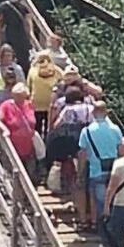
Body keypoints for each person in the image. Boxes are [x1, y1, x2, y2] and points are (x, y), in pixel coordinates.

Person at [46, 86, 93, 224]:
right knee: (87, 175)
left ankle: (79, 207)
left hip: (72, 146)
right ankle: (90, 209)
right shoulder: (90, 108)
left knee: (76, 178)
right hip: (89, 146)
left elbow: (56, 125)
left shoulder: (68, 110)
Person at [78, 101, 124, 229]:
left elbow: (82, 154)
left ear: (93, 113)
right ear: (106, 113)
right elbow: (121, 151)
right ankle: (113, 225)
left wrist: (80, 173)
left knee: (94, 198)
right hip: (114, 170)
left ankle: (95, 223)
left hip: (96, 170)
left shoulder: (86, 131)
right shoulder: (116, 129)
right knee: (113, 198)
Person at [0, 82, 39, 180]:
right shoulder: (6, 106)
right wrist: (5, 130)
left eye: (21, 95)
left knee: (29, 174)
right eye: (16, 95)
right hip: (12, 145)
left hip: (28, 145)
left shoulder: (29, 105)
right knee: (12, 173)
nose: (19, 98)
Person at [29, 50, 63, 135]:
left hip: (37, 103)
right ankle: (48, 143)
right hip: (51, 103)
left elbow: (29, 85)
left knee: (37, 127)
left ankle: (38, 145)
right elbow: (63, 81)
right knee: (50, 127)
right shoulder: (56, 70)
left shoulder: (33, 70)